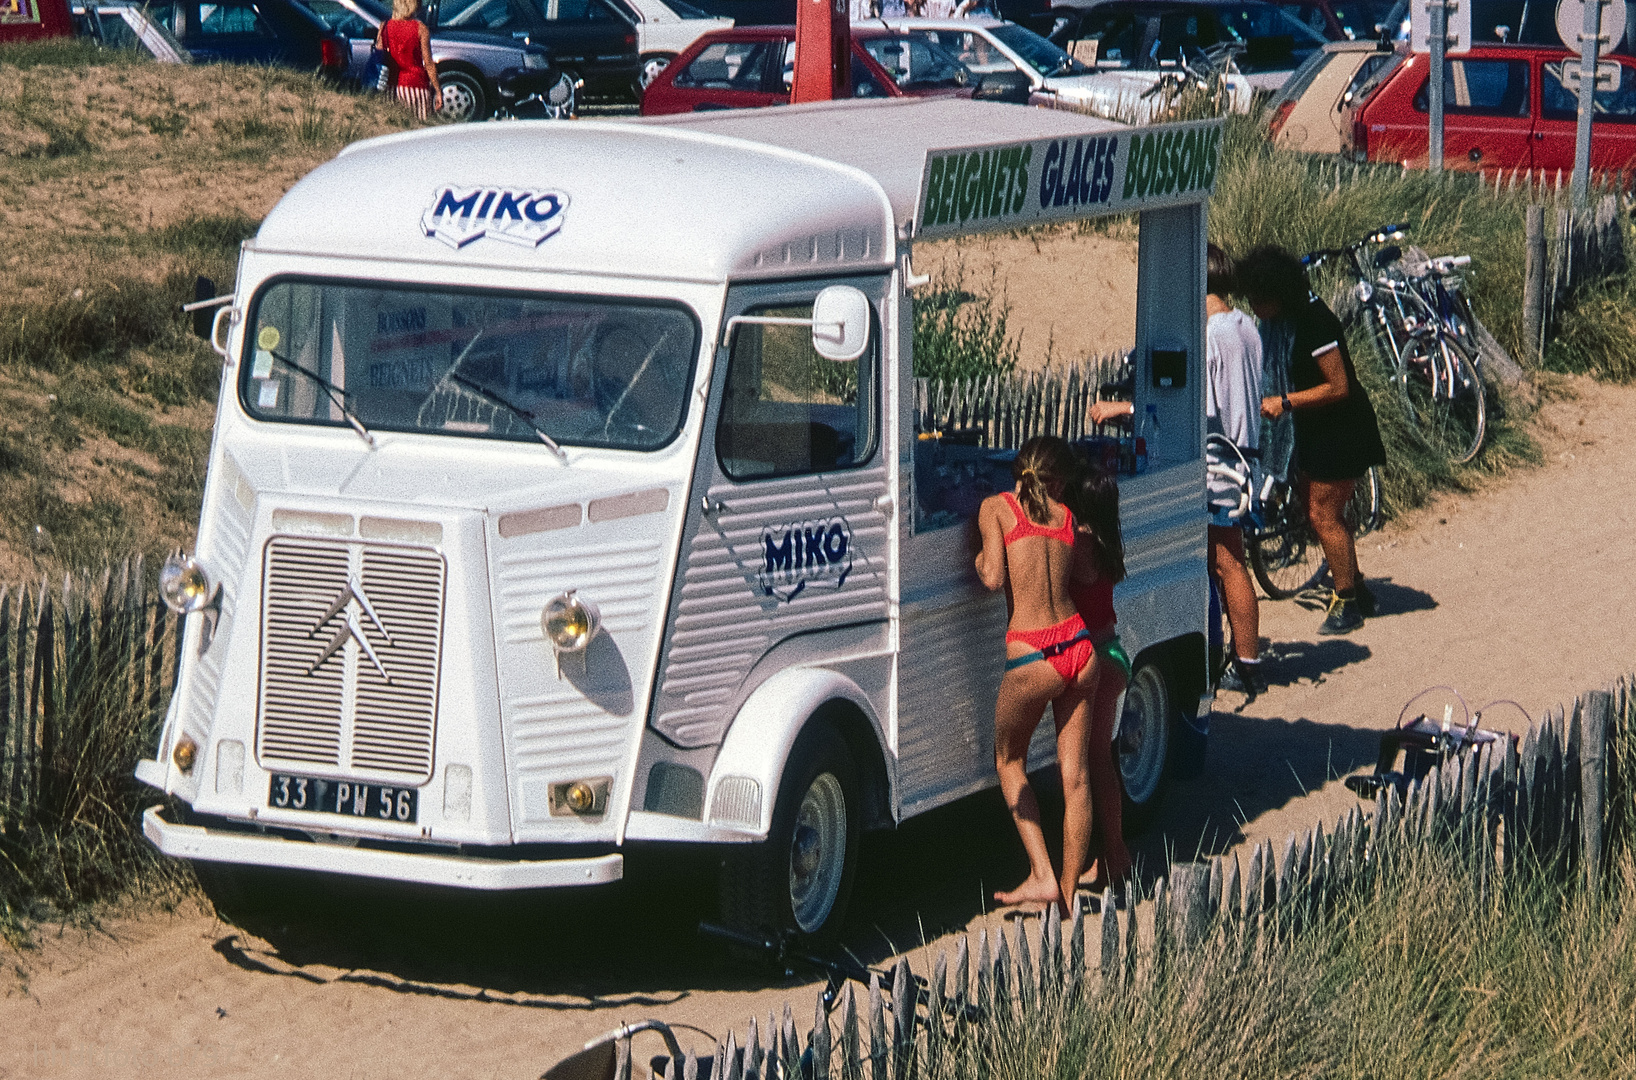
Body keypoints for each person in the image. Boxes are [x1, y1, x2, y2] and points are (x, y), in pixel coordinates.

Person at [975, 436, 1099, 911]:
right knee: (1077, 777)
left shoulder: (997, 508)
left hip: (1033, 653)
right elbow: (1086, 576)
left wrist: (977, 556)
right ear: (1057, 479)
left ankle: (1043, 874)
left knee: (1009, 761)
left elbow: (991, 577)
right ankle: (1068, 894)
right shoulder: (1068, 518)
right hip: (1079, 644)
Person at [1237, 245, 1386, 636]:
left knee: (1324, 516)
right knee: (1316, 509)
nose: (1253, 306)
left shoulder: (1314, 321)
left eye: (1257, 298)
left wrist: (1285, 402)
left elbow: (1339, 386)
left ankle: (1346, 601)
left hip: (1341, 429)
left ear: (1277, 295)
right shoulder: (1286, 319)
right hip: (1314, 429)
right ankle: (1355, 585)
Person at [1062, 458, 1132, 891]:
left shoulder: (1081, 544)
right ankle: (1113, 854)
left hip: (1097, 659)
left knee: (1092, 764)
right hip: (1112, 653)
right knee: (1099, 758)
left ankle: (1114, 854)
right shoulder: (1106, 540)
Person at [1203, 244, 1266, 694]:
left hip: (1221, 458)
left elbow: (1199, 408)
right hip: (1248, 453)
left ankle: (1245, 663)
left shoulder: (1210, 335)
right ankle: (1238, 653)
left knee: (1227, 563)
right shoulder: (1247, 326)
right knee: (1229, 560)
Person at [376, 0, 441, 121]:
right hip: (416, 85)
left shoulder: (384, 27)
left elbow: (379, 54)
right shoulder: (421, 29)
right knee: (418, 128)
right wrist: (438, 90)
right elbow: (428, 63)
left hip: (391, 84)